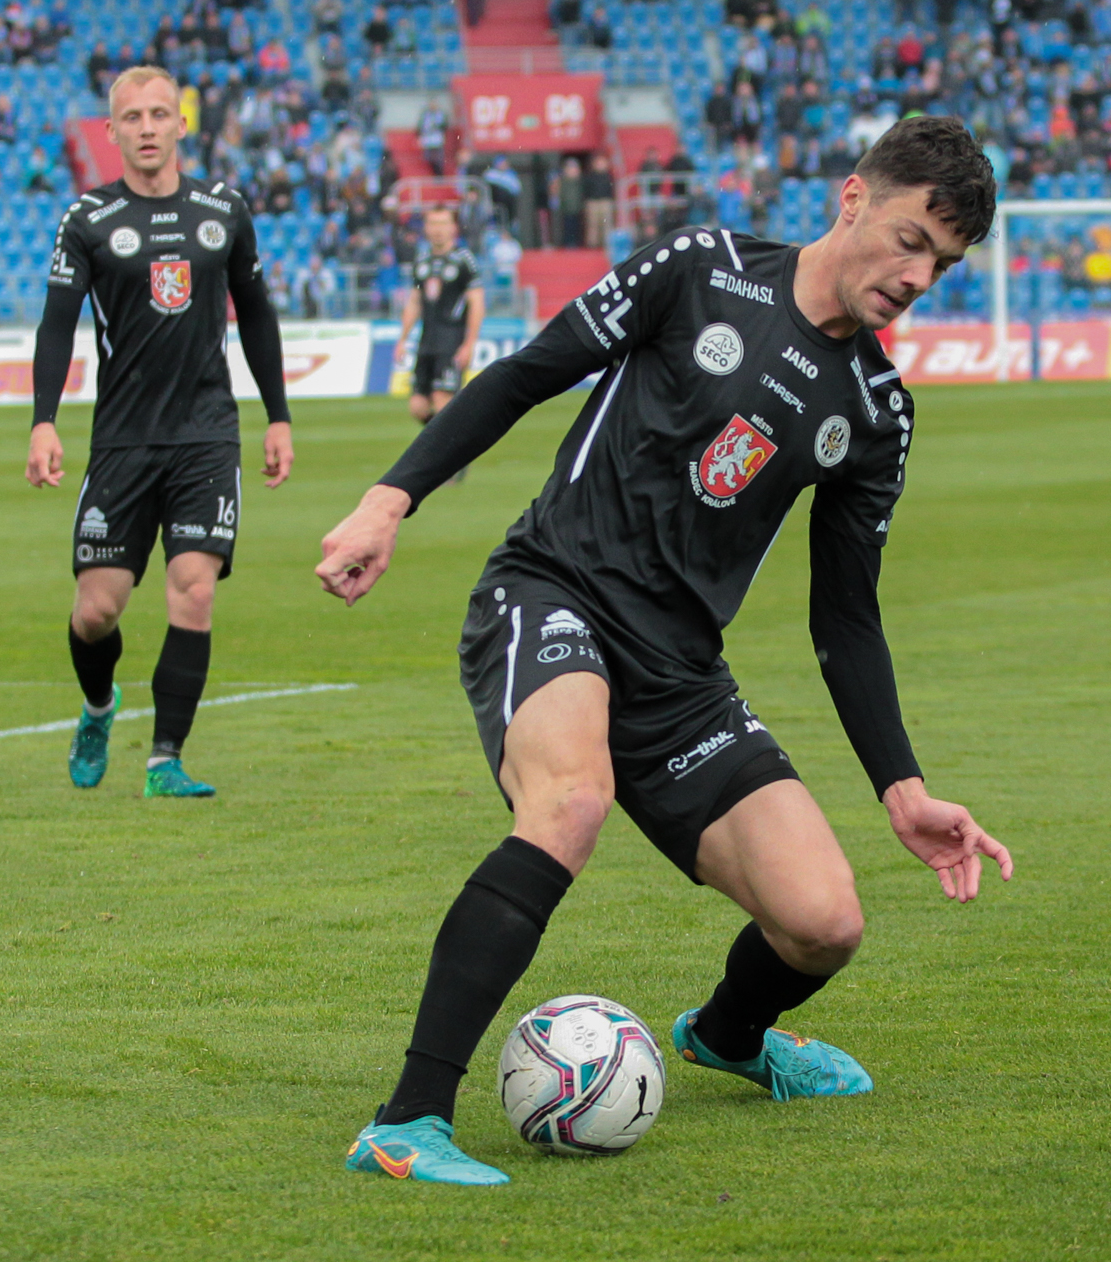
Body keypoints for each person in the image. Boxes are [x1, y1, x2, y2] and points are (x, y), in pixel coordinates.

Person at [314, 116, 1014, 1187]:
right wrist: (387, 499)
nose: (919, 276)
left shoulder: (875, 409)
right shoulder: (700, 268)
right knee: (569, 803)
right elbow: (525, 373)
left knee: (825, 922)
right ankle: (405, 1122)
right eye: (912, 240)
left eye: (944, 263)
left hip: (681, 675)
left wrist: (901, 787)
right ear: (852, 199)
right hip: (553, 592)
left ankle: (727, 1037)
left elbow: (846, 617)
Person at [28, 66, 293, 799]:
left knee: (193, 590)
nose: (147, 127)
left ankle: (165, 761)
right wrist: (44, 420)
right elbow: (56, 326)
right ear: (110, 131)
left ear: (181, 123)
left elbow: (257, 314)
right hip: (122, 440)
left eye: (159, 114)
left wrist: (278, 415)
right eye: (132, 117)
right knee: (96, 611)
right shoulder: (87, 220)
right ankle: (98, 707)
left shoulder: (224, 210)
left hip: (206, 435)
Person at [392, 205, 483, 424]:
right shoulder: (422, 261)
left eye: (443, 223)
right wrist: (402, 339)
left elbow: (477, 304)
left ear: (453, 228)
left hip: (451, 341)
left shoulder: (464, 260)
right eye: (433, 223)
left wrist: (469, 343)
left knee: (442, 401)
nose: (437, 229)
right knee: (418, 407)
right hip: (426, 341)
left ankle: (450, 443)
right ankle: (451, 439)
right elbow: (414, 302)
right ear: (425, 228)